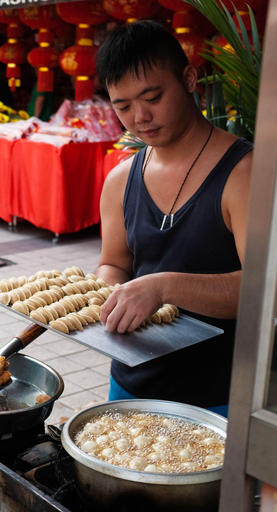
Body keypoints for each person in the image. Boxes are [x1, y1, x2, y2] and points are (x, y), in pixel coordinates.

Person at [94, 21, 252, 416]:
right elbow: (113, 263)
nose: (140, 117)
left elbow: (264, 288)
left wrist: (163, 288)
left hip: (222, 396)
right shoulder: (120, 180)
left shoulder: (246, 174)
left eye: (152, 96)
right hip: (130, 384)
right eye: (123, 106)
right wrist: (110, 294)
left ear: (188, 78)